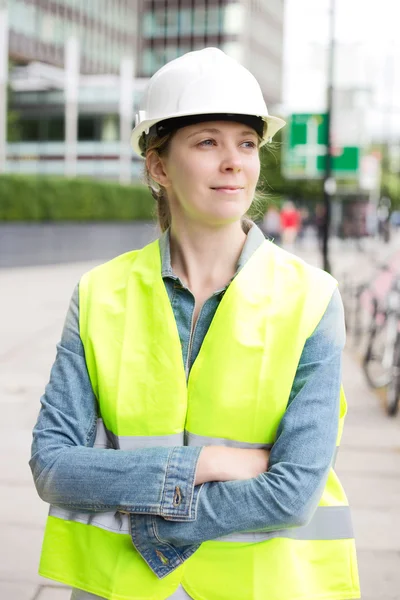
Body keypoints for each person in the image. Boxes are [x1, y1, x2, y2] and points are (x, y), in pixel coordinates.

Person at [30, 48, 360, 600]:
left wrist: (151, 526)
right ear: (159, 165)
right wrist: (205, 463)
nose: (234, 161)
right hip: (123, 591)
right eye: (208, 141)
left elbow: (293, 492)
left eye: (247, 143)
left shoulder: (312, 298)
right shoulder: (98, 294)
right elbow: (54, 465)